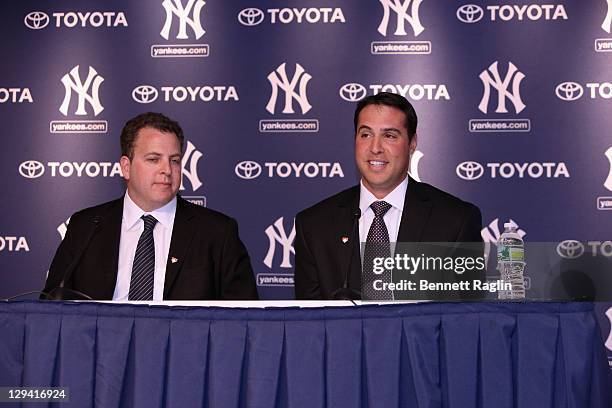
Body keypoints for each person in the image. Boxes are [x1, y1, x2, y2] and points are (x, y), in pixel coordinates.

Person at [43, 112, 258, 300]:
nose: (167, 169)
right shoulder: (86, 227)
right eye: (154, 159)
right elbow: (52, 305)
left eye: (174, 160)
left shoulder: (217, 232)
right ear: (126, 167)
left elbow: (242, 320)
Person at [294, 93, 483, 300]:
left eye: (389, 136)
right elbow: (308, 323)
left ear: (412, 143)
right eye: (365, 134)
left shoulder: (456, 221)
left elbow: (468, 319)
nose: (375, 148)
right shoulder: (313, 226)